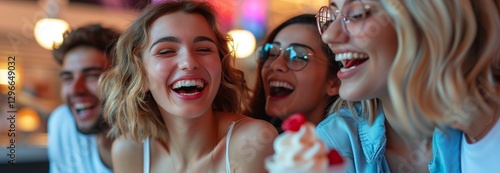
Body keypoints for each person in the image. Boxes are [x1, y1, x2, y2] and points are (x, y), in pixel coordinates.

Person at [315, 0, 500, 172]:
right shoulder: (333, 141)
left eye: (356, 13)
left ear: (427, 20)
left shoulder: (482, 128)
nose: (328, 35)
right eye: (331, 15)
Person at [98, 1, 278, 173]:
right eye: (166, 51)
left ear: (220, 67)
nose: (189, 63)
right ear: (140, 74)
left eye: (203, 49)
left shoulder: (253, 140)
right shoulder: (130, 152)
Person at [248, 14, 340, 133]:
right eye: (271, 54)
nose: (275, 64)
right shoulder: (245, 140)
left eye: (297, 56)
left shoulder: (350, 149)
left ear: (334, 82)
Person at [48, 24, 120, 173]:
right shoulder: (62, 123)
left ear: (125, 81)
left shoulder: (153, 143)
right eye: (68, 78)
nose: (75, 89)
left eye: (92, 75)